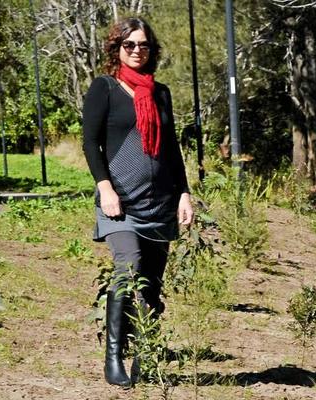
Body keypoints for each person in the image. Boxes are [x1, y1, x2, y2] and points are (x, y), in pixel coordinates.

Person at [82, 17, 193, 387]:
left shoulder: (160, 92)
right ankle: (114, 356)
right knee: (128, 269)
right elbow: (90, 142)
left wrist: (184, 192)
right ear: (117, 49)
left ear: (152, 50)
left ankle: (145, 355)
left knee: (151, 283)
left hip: (160, 202)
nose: (136, 51)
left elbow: (172, 148)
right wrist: (105, 187)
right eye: (129, 45)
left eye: (143, 45)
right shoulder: (105, 88)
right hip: (121, 202)